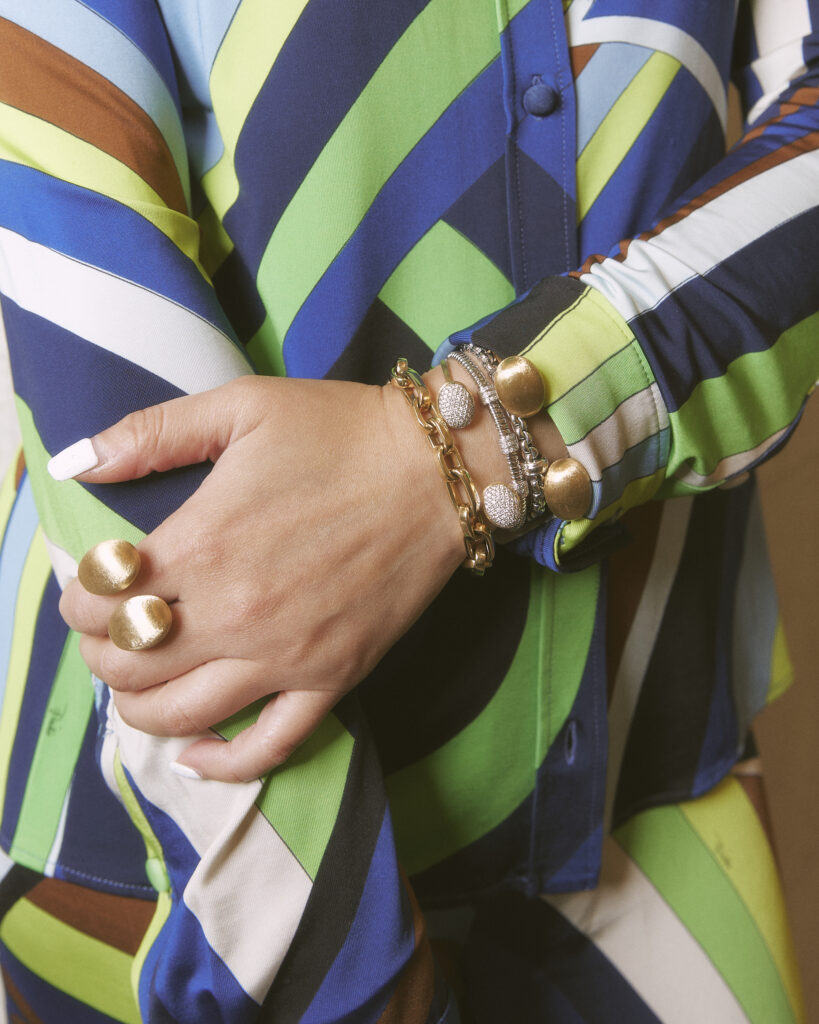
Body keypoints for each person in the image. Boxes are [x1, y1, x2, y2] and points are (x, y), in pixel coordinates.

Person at [0, 0, 815, 1021]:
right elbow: (72, 226)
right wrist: (328, 953)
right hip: (195, 854)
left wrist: (455, 453)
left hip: (650, 781)